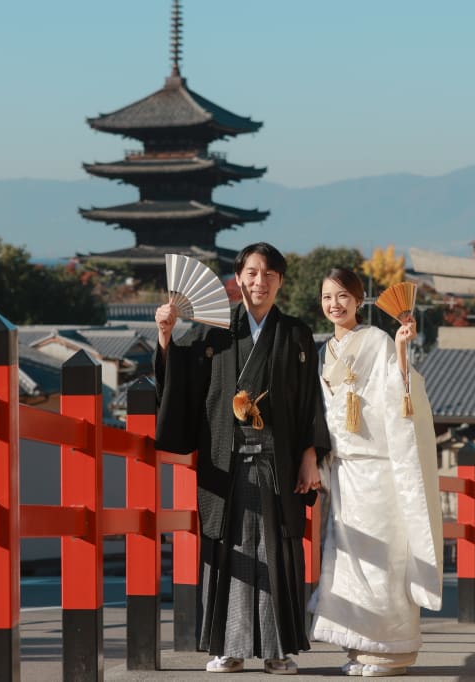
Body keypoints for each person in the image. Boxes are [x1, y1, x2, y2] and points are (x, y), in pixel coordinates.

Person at [153, 242, 330, 675]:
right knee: (226, 552)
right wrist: (165, 336)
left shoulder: (296, 334)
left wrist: (311, 455)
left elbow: (311, 402)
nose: (259, 282)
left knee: (277, 552)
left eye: (269, 274)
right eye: (251, 272)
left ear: (281, 281)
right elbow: (184, 386)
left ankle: (276, 649)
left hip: (278, 462)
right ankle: (227, 647)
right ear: (237, 277)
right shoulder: (214, 333)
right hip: (224, 460)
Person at [309, 267, 444, 678]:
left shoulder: (377, 340)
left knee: (382, 558)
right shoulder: (323, 351)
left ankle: (391, 650)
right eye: (328, 296)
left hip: (378, 470)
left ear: (360, 299)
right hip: (346, 469)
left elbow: (398, 392)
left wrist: (402, 349)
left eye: (344, 296)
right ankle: (360, 646)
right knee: (348, 561)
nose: (336, 304)